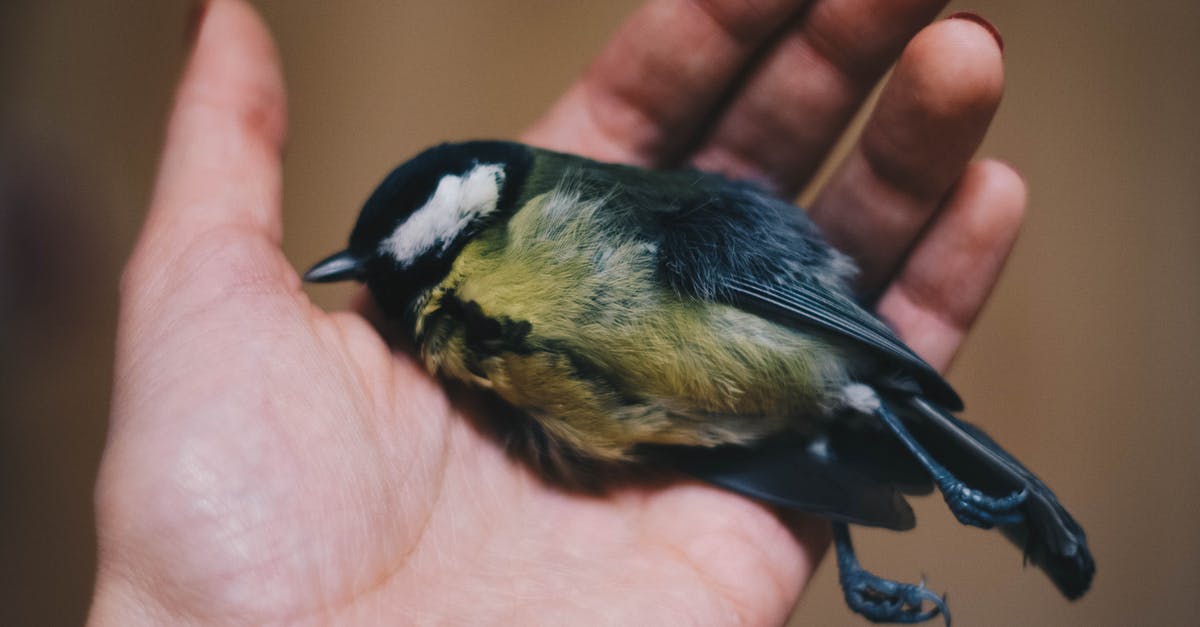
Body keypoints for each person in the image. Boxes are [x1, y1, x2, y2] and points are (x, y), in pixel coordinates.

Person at [90, 0, 1023, 623]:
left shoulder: (541, 226)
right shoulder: (461, 332)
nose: (394, 294)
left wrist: (870, 354)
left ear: (457, 226)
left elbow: (739, 268)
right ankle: (872, 490)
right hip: (724, 419)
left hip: (764, 315)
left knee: (850, 396)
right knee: (822, 426)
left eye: (395, 271)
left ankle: (908, 447)